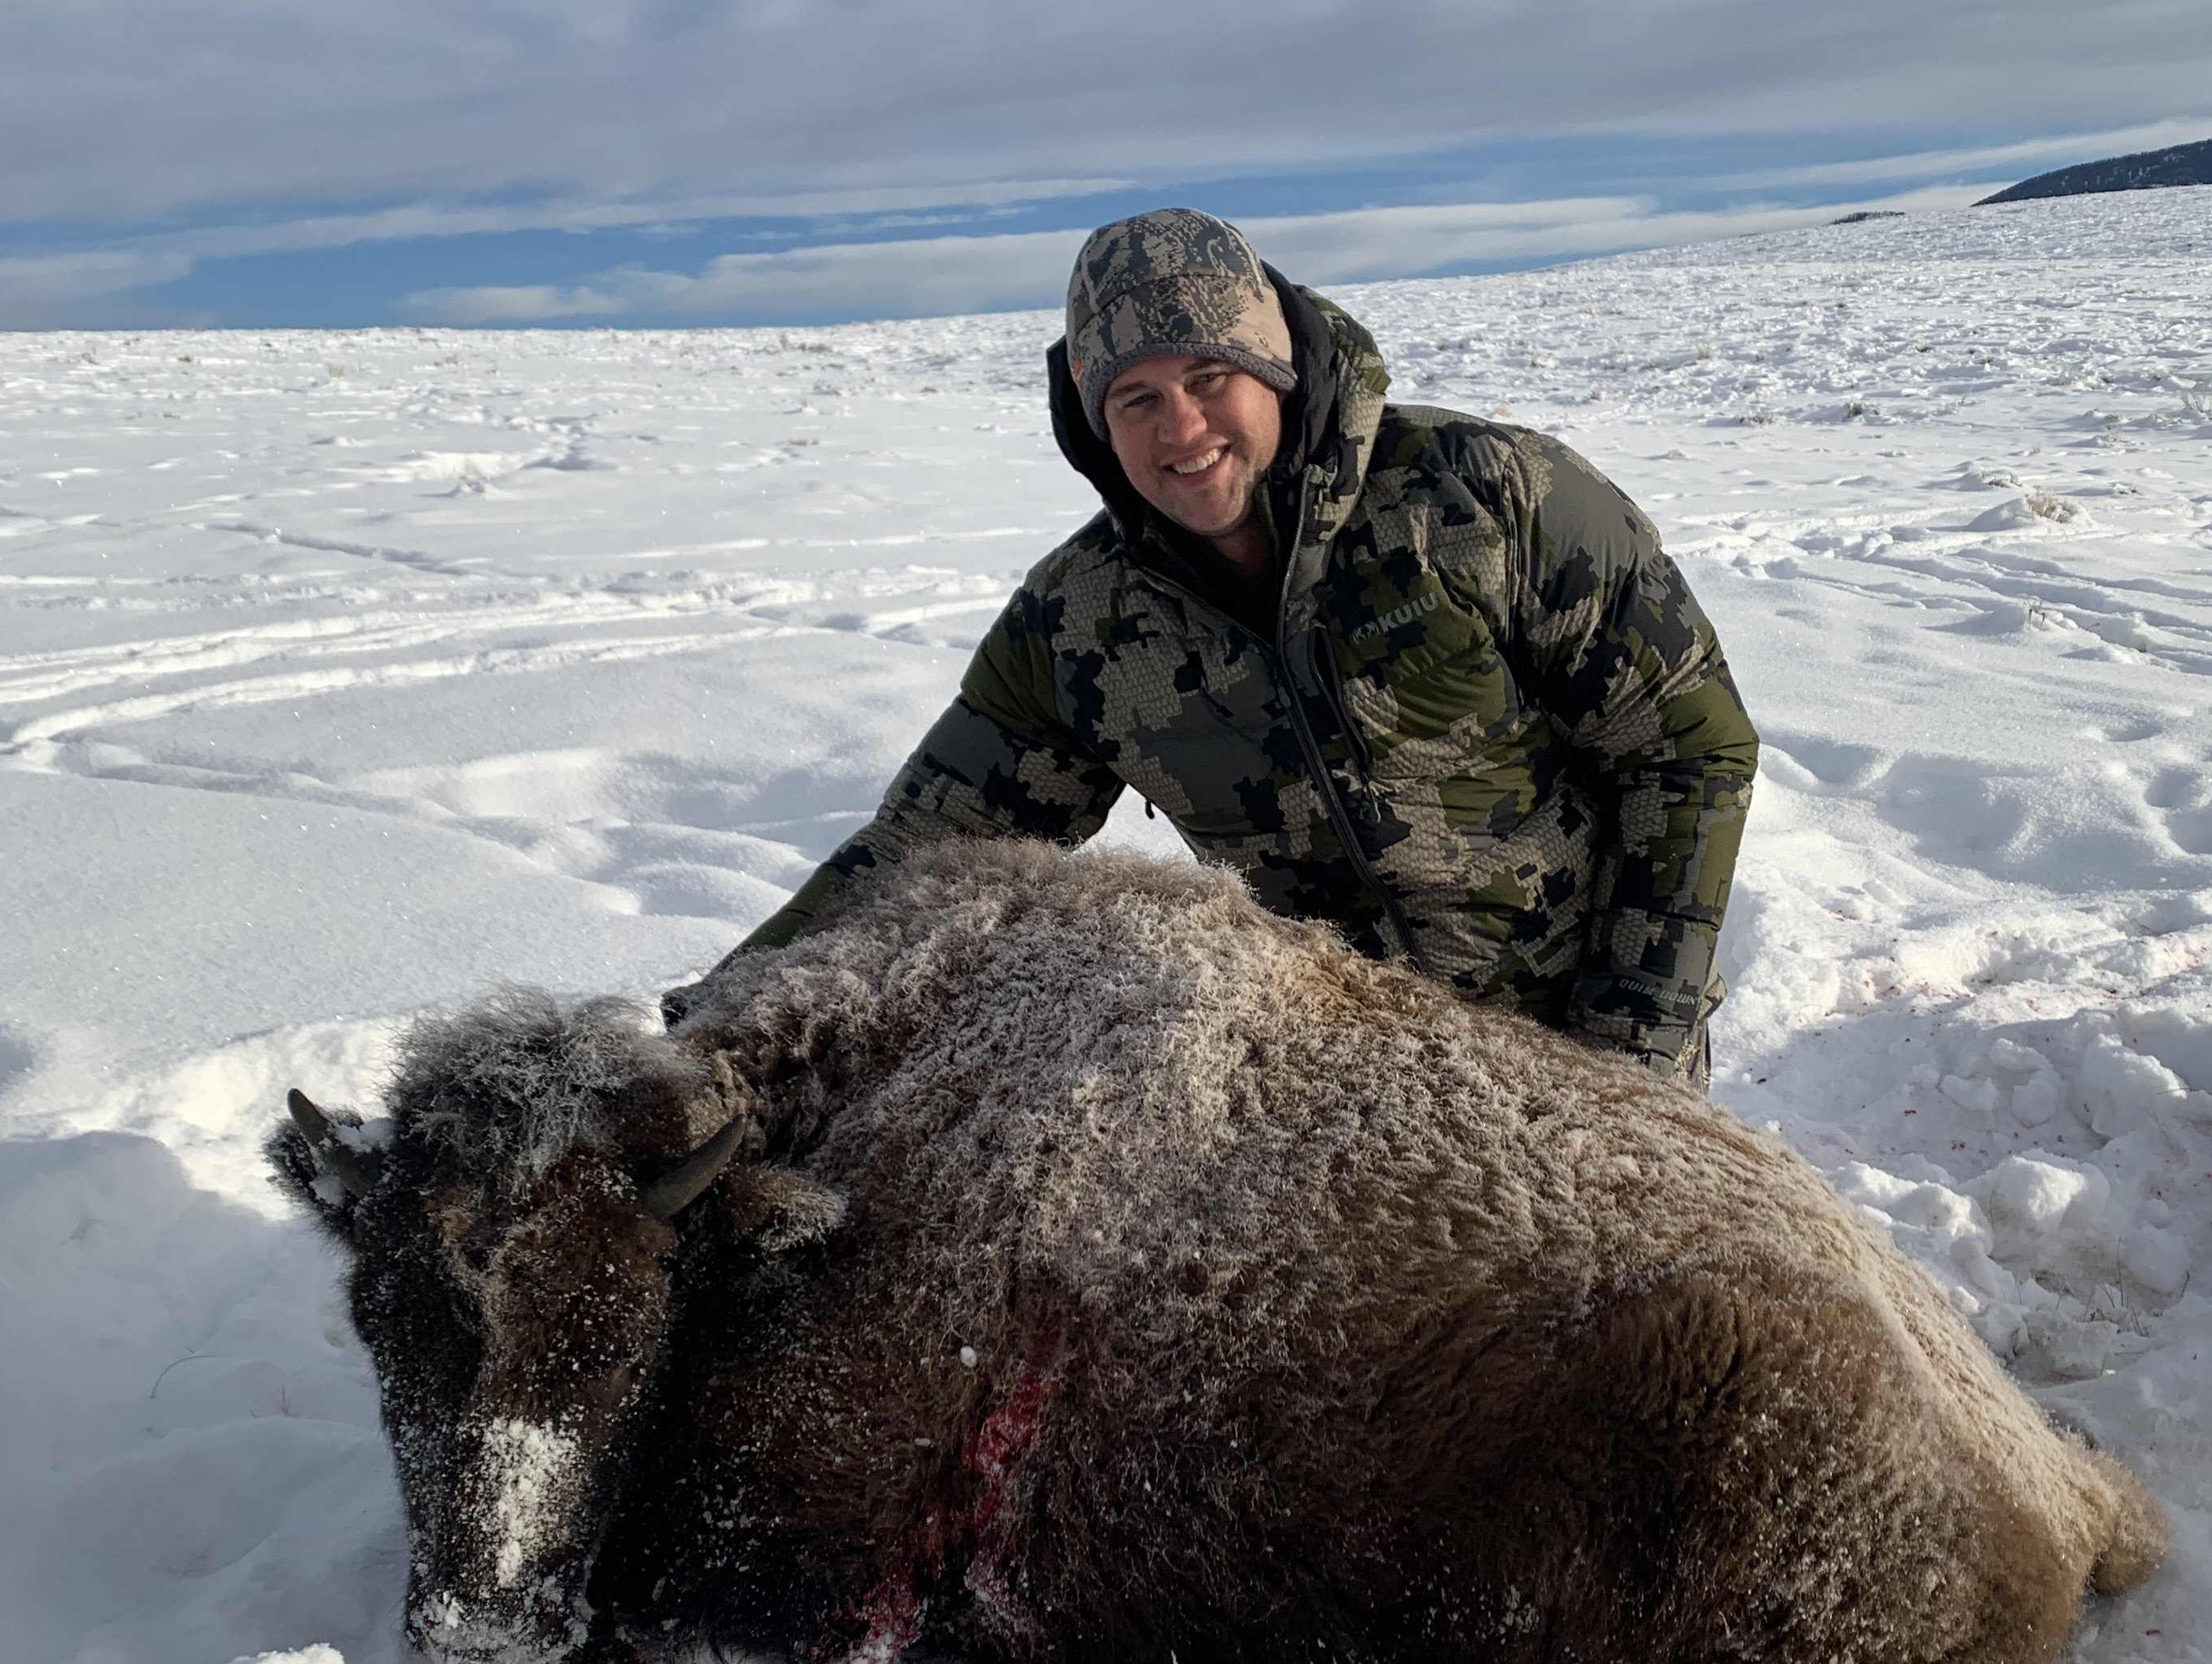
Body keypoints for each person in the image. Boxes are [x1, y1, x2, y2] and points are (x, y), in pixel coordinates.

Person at [676, 207, 1756, 1083]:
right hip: (1344, 1077)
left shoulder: (1490, 499)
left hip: (1587, 1027)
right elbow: (915, 858)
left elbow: (1684, 752)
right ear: (1096, 426)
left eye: (1208, 380)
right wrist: (711, 1031)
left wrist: (1628, 1047)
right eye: (1135, 399)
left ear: (1278, 370)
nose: (1180, 430)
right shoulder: (1079, 623)